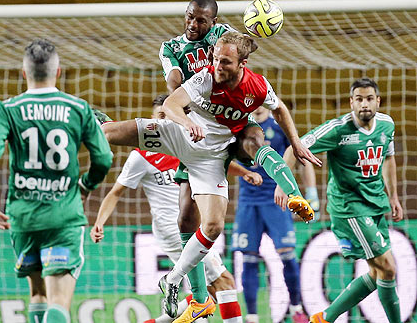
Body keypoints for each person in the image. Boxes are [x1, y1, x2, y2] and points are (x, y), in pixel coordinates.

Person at [102, 32, 320, 323]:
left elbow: (279, 108)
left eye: (225, 61)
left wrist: (295, 141)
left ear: (243, 63)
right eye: (215, 58)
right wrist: (187, 122)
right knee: (108, 133)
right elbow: (170, 105)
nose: (217, 65)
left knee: (214, 225)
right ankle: (80, 124)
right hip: (179, 136)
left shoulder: (256, 86)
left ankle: (175, 281)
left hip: (212, 156)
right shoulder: (205, 78)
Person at [0, 39, 113, 323]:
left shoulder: (7, 109)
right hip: (63, 216)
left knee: (38, 294)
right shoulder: (78, 108)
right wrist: (86, 185)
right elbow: (104, 158)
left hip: (23, 217)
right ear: (58, 72)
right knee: (59, 302)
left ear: (24, 73)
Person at [90, 95, 262, 323]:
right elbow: (115, 193)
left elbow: (214, 160)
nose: (165, 119)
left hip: (189, 227)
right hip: (172, 230)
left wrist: (245, 172)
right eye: (160, 116)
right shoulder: (140, 157)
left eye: (167, 115)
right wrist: (100, 222)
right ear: (153, 119)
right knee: (224, 283)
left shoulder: (180, 143)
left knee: (209, 293)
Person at [275, 78, 403, 323]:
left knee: (380, 274)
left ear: (378, 101)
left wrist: (394, 196)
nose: (364, 104)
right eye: (359, 99)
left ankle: (324, 318)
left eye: (369, 99)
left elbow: (388, 158)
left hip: (376, 203)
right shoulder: (337, 129)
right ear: (351, 102)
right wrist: (283, 183)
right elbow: (294, 148)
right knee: (388, 267)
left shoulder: (387, 124)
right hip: (349, 207)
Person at [159, 0, 253, 322]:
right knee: (185, 220)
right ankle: (198, 299)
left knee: (255, 139)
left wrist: (254, 35)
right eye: (189, 17)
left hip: (223, 123)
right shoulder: (171, 47)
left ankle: (197, 297)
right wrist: (183, 106)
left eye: (201, 20)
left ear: (213, 22)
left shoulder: (221, 37)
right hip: (193, 128)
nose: (193, 25)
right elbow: (173, 81)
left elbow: (241, 49)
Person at [232, 106, 320, 323]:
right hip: (248, 202)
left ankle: (296, 308)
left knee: (288, 255)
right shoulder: (240, 126)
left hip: (276, 201)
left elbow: (301, 154)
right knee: (248, 258)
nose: (258, 104)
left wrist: (311, 192)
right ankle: (252, 316)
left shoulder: (279, 126)